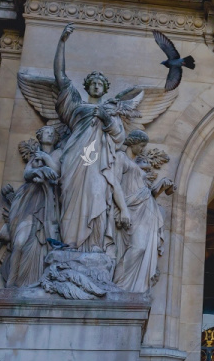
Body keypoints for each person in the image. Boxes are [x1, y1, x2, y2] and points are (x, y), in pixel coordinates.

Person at [53, 23, 130, 254]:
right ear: (87, 86)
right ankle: (69, 245)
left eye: (100, 83)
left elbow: (119, 137)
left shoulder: (110, 111)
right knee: (70, 198)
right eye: (93, 83)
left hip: (97, 162)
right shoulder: (76, 104)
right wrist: (62, 43)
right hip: (75, 158)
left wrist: (106, 118)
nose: (96, 85)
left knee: (98, 193)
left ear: (105, 89)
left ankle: (94, 245)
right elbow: (60, 75)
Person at [0, 126, 62, 287]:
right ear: (40, 137)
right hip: (28, 201)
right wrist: (38, 170)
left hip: (47, 202)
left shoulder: (58, 154)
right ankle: (11, 283)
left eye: (52, 133)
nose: (49, 134)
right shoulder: (35, 156)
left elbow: (58, 172)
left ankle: (32, 282)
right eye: (46, 132)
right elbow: (27, 174)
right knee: (19, 242)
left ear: (56, 138)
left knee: (39, 244)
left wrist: (45, 163)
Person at [113, 130, 174, 292]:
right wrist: (123, 210)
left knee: (143, 248)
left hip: (146, 210)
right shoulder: (121, 158)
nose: (142, 149)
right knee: (137, 247)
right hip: (132, 209)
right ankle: (118, 286)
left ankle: (132, 288)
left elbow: (149, 193)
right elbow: (115, 185)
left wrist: (162, 184)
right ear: (132, 143)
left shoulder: (137, 166)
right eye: (141, 145)